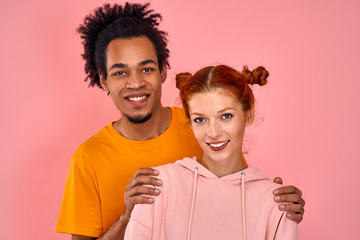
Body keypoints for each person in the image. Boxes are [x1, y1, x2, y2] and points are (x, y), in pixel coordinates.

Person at [56, 3, 305, 240]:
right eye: (120, 72)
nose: (135, 83)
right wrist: (127, 216)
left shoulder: (201, 126)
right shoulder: (87, 158)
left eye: (147, 68)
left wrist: (276, 203)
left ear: (163, 70)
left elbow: (235, 186)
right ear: (103, 79)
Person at [124, 65, 298, 239]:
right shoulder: (159, 185)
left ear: (249, 114)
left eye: (226, 116)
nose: (213, 132)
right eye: (200, 119)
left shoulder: (277, 202)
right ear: (190, 123)